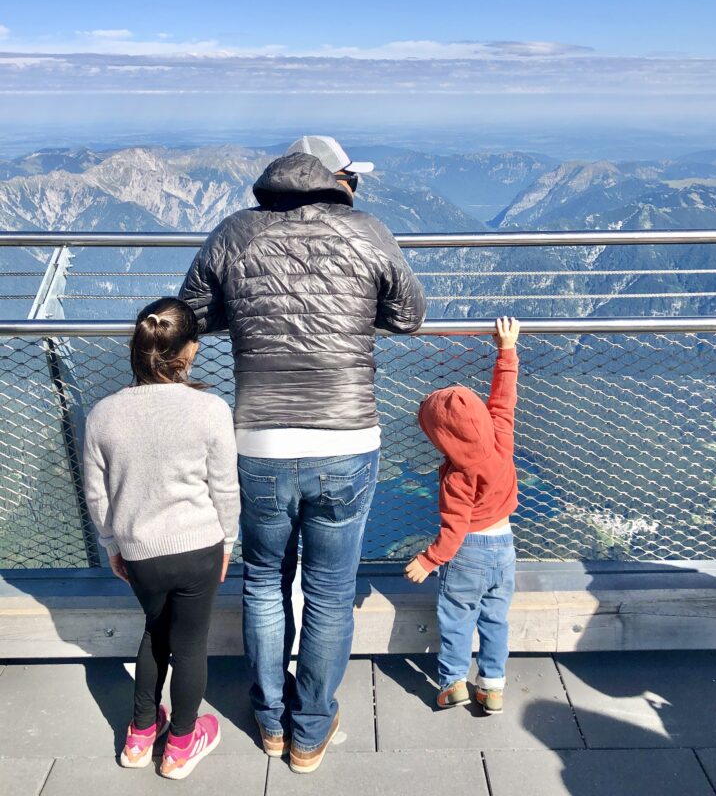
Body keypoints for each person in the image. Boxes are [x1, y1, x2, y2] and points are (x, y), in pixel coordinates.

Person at [180, 135, 426, 773]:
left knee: (263, 582)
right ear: (335, 178)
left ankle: (268, 723)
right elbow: (409, 317)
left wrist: (251, 313)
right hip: (346, 436)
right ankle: (309, 732)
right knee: (329, 589)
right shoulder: (367, 231)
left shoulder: (234, 232)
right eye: (354, 177)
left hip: (259, 437)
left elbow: (193, 315)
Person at [83, 297, 240, 780]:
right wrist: (227, 544)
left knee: (155, 632)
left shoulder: (103, 415)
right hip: (198, 547)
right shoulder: (210, 409)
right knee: (190, 646)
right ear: (189, 351)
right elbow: (225, 488)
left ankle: (139, 736)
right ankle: (180, 746)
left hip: (140, 553)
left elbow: (97, 495)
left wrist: (113, 545)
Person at [405, 316, 520, 716]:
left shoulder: (458, 476)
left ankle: (453, 682)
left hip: (468, 551)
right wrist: (507, 350)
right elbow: (503, 399)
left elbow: (454, 529)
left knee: (456, 617)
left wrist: (428, 559)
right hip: (504, 548)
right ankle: (492, 687)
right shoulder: (500, 436)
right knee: (495, 619)